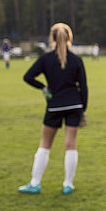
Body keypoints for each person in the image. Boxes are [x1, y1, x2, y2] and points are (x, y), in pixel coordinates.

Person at [19, 23, 88, 195]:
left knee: (45, 145)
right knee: (70, 145)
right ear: (70, 38)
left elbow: (28, 77)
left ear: (52, 38)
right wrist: (83, 109)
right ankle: (68, 184)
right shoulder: (77, 60)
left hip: (55, 106)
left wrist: (43, 87)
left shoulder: (46, 59)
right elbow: (84, 87)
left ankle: (35, 183)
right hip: (74, 105)